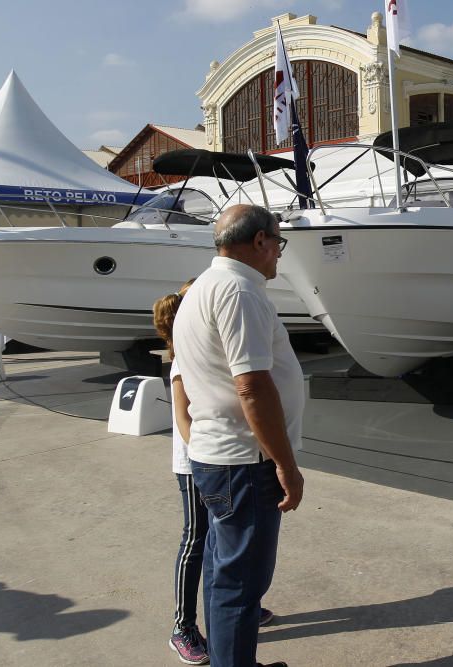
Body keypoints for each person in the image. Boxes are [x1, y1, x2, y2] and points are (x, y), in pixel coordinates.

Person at [173, 204, 304, 667]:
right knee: (240, 585)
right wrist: (286, 466)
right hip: (244, 463)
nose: (279, 257)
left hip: (220, 458)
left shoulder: (205, 287)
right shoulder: (237, 290)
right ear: (261, 241)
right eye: (279, 244)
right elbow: (251, 384)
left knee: (223, 575)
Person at [154, 279, 276, 666]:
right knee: (197, 540)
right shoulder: (183, 358)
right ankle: (183, 626)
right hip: (199, 464)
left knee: (221, 548)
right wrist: (204, 459)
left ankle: (232, 614)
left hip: (214, 461)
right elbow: (183, 417)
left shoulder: (208, 349)